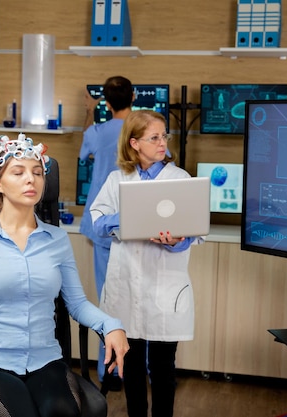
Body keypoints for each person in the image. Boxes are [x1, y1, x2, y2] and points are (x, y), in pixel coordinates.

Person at [0, 134, 129, 417]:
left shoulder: (57, 239)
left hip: (47, 361)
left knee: (61, 413)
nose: (30, 179)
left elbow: (77, 304)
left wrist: (111, 325)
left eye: (38, 173)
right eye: (18, 172)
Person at [90, 110, 205, 417]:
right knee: (132, 363)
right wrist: (129, 218)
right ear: (135, 143)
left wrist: (177, 240)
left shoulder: (179, 179)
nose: (162, 143)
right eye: (154, 137)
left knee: (163, 367)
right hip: (127, 284)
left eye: (164, 136)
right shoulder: (117, 180)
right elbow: (97, 221)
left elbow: (194, 230)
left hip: (165, 285)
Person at [79, 75, 133, 386]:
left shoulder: (99, 131)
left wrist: (90, 110)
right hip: (135, 222)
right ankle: (140, 369)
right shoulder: (140, 130)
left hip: (102, 224)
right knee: (137, 299)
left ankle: (109, 371)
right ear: (134, 96)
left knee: (107, 301)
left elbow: (82, 153)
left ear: (107, 102)